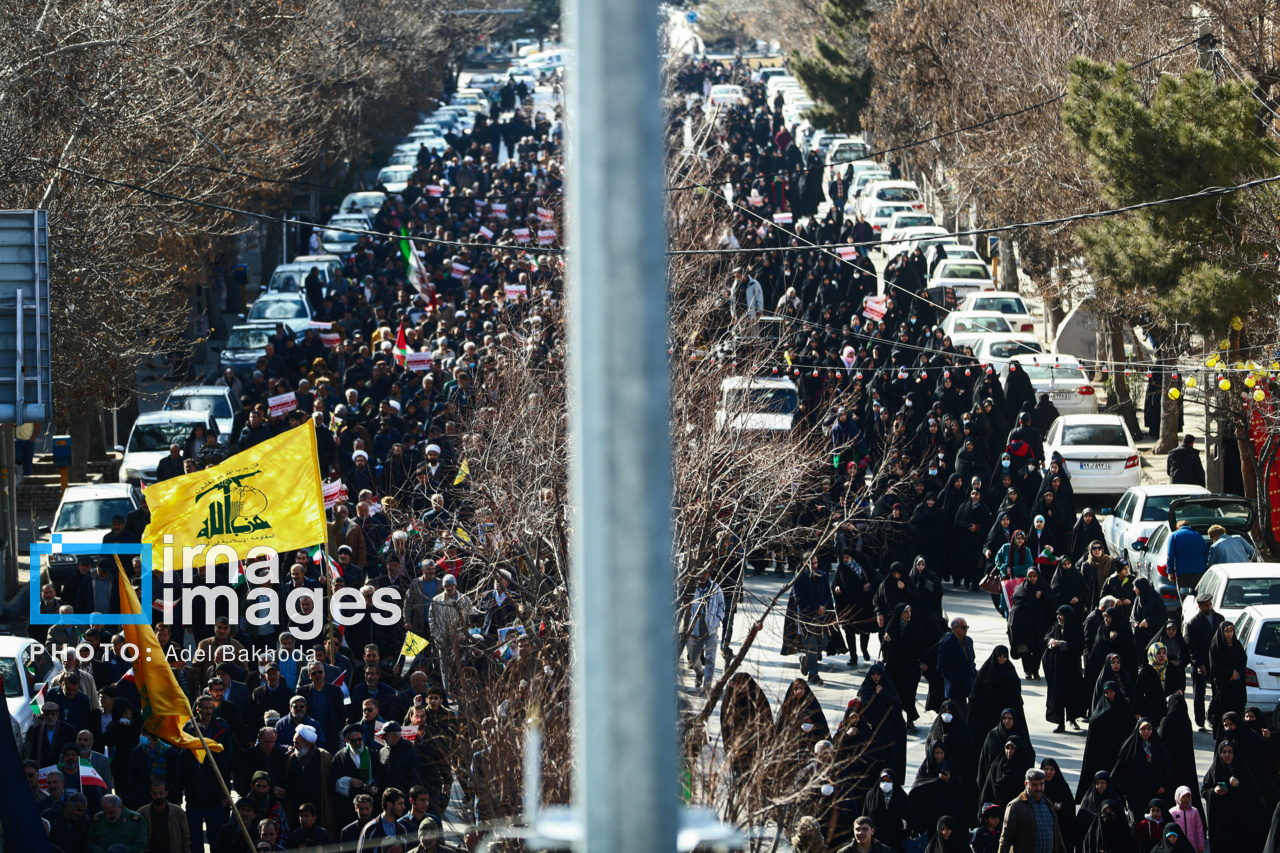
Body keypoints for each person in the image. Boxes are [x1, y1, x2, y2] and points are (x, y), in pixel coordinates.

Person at [1201, 740, 1271, 850]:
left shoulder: (1242, 770)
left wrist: (1239, 785)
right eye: (1224, 752)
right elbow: (1205, 790)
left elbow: (1253, 793)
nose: (1227, 755)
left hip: (1240, 822)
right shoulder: (1214, 771)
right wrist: (1214, 791)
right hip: (1221, 821)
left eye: (1230, 752)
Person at [997, 768, 1066, 853]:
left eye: (1041, 784)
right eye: (1034, 785)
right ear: (1026, 784)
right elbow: (1005, 839)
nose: (1039, 788)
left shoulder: (1048, 805)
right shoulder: (1015, 807)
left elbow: (1057, 837)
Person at [1043, 605, 1086, 732]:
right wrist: (1051, 641)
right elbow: (1046, 638)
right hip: (1057, 669)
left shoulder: (1076, 628)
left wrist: (1062, 644)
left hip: (1072, 668)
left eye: (1060, 615)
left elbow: (1079, 645)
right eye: (1057, 615)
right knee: (1058, 696)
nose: (1058, 617)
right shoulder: (1055, 627)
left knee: (1072, 695)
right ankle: (1060, 722)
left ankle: (1072, 720)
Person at [686, 567, 725, 695]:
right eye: (701, 573)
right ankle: (699, 673)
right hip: (695, 626)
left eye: (705, 573)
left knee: (710, 658)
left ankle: (707, 685)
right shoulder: (692, 588)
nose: (703, 576)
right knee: (693, 658)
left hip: (710, 627)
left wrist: (718, 619)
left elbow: (721, 605)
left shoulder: (715, 588)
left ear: (709, 574)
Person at [1209, 621, 1248, 739]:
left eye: (1231, 631)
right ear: (1222, 632)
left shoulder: (1237, 645)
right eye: (1227, 631)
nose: (1229, 634)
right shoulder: (1216, 645)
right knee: (1222, 711)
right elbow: (1215, 666)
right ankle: (1221, 736)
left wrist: (1236, 673)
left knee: (1237, 710)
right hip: (1223, 685)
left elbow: (1243, 660)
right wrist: (1230, 673)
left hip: (1236, 684)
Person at [935, 617, 976, 717]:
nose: (965, 629)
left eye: (966, 627)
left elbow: (971, 660)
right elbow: (942, 667)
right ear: (955, 629)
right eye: (963, 627)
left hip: (970, 683)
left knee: (972, 712)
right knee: (961, 714)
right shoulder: (947, 644)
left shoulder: (969, 641)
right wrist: (955, 678)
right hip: (956, 687)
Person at [1167, 522, 1208, 591]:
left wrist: (1170, 572)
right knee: (1198, 598)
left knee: (1185, 598)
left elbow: (1170, 555)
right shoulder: (1199, 536)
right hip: (1199, 573)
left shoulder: (1174, 535)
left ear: (1178, 528)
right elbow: (1205, 554)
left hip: (1183, 573)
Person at [1167, 786, 1204, 853]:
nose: (1186, 799)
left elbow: (1199, 830)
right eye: (1183, 797)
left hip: (1192, 845)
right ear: (1178, 797)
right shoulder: (1172, 812)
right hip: (1177, 846)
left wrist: (1200, 847)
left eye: (1188, 796)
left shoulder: (1194, 811)